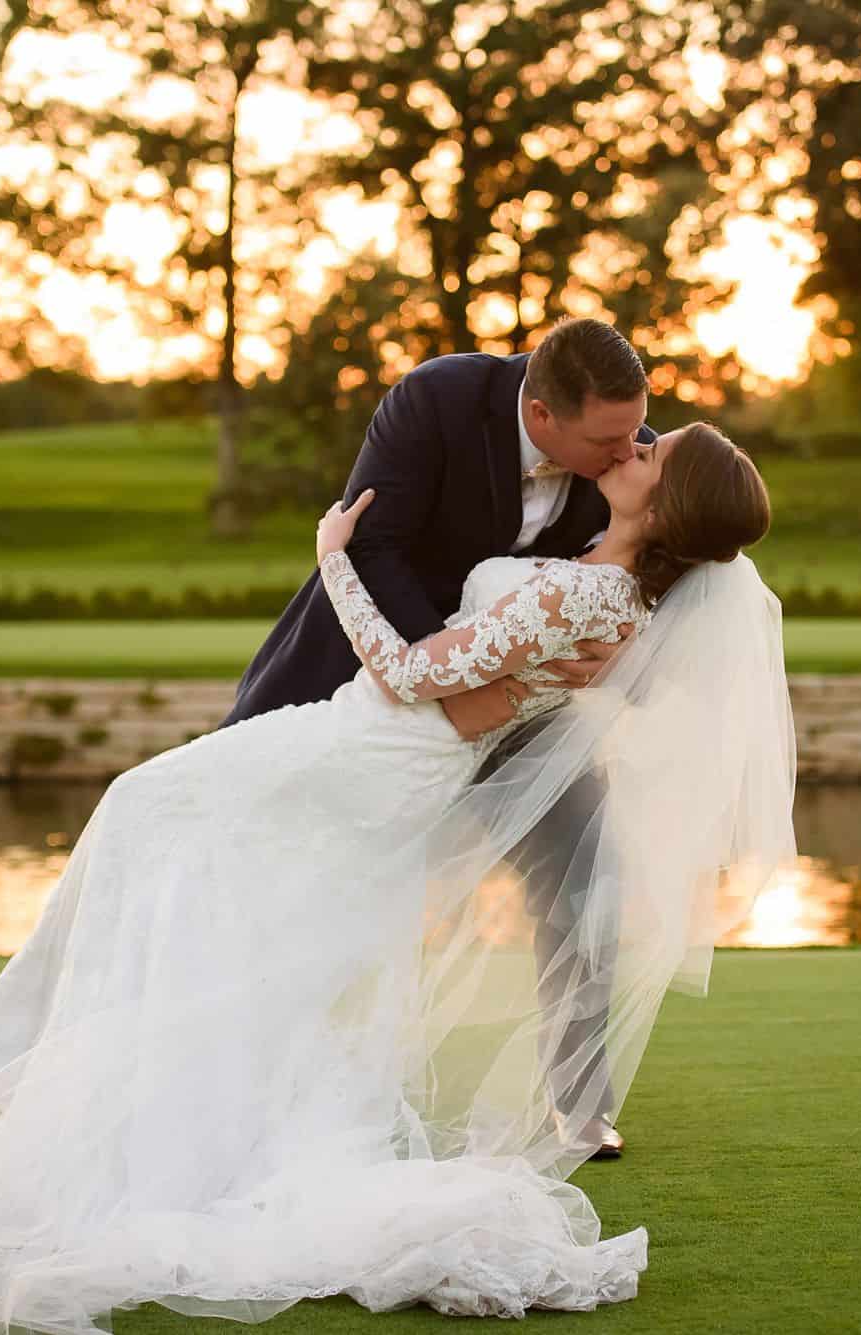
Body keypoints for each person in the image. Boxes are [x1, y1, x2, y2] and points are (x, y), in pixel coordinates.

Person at [0, 421, 794, 1330]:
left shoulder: (588, 594)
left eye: (651, 455)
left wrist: (333, 559)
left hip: (379, 746)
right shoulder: (602, 584)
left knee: (143, 803)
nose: (633, 448)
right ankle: (66, 1055)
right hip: (376, 737)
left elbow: (411, 673)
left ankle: (22, 1037)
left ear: (665, 506)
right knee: (215, 877)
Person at [223, 317, 658, 1161]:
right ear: (542, 414)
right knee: (259, 852)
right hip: (373, 678)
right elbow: (373, 545)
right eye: (608, 440)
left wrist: (621, 649)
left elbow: (670, 560)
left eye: (636, 432)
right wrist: (449, 682)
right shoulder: (436, 400)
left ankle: (579, 1101)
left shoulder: (624, 447)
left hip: (523, 709)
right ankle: (255, 1067)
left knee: (585, 865)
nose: (628, 451)